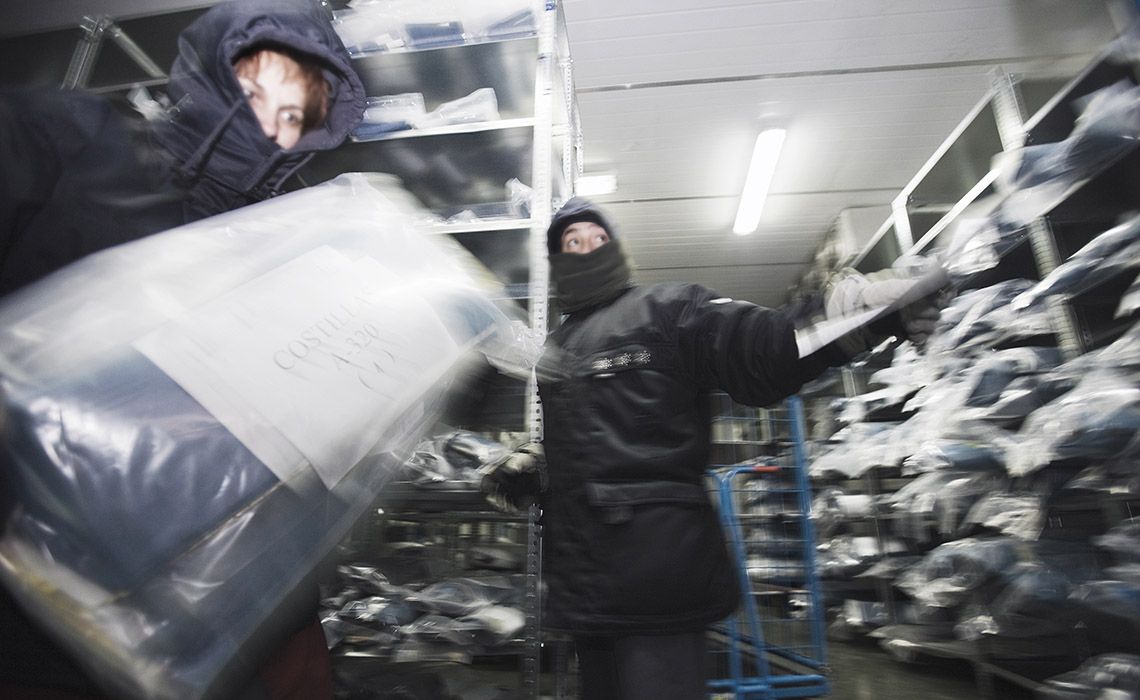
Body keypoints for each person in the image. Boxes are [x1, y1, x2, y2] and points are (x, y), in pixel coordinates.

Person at [0, 0, 365, 697]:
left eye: (294, 116)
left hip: (232, 608)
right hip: (50, 589)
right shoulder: (70, 145)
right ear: (212, 70)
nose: (271, 127)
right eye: (258, 90)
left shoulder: (284, 246)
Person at [481, 196, 940, 699]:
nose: (587, 246)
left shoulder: (667, 310)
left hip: (657, 579)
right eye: (572, 241)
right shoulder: (558, 348)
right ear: (558, 258)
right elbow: (596, 441)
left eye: (598, 237)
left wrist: (860, 312)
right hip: (587, 588)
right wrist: (539, 467)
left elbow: (760, 343)